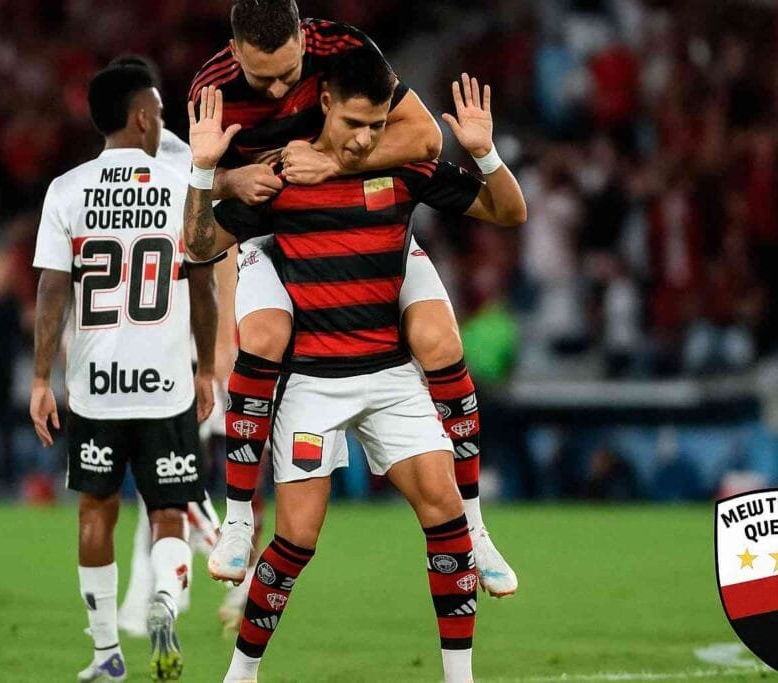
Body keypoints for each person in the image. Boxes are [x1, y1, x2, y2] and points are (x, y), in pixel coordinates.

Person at [183, 46, 526, 683]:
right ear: (325, 104)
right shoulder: (282, 176)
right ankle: (241, 674)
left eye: (377, 125)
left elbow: (508, 210)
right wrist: (206, 173)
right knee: (296, 540)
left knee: (446, 516)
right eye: (354, 124)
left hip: (392, 379)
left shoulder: (404, 168)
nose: (366, 139)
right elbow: (200, 244)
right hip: (314, 385)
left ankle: (460, 678)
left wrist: (485, 154)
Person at [29, 63, 220, 681]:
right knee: (169, 511)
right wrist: (206, 369)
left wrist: (41, 379)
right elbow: (203, 289)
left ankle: (107, 653)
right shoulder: (181, 185)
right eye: (159, 114)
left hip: (96, 388)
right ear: (141, 118)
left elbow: (52, 292)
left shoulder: (67, 190)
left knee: (96, 511)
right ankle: (165, 596)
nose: (162, 123)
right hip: (165, 383)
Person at [101, 54, 230, 641]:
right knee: (156, 487)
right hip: (156, 348)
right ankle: (147, 602)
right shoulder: (132, 165)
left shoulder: (178, 163)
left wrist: (220, 351)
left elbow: (219, 256)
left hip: (182, 350)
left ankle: (233, 557)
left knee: (168, 481)